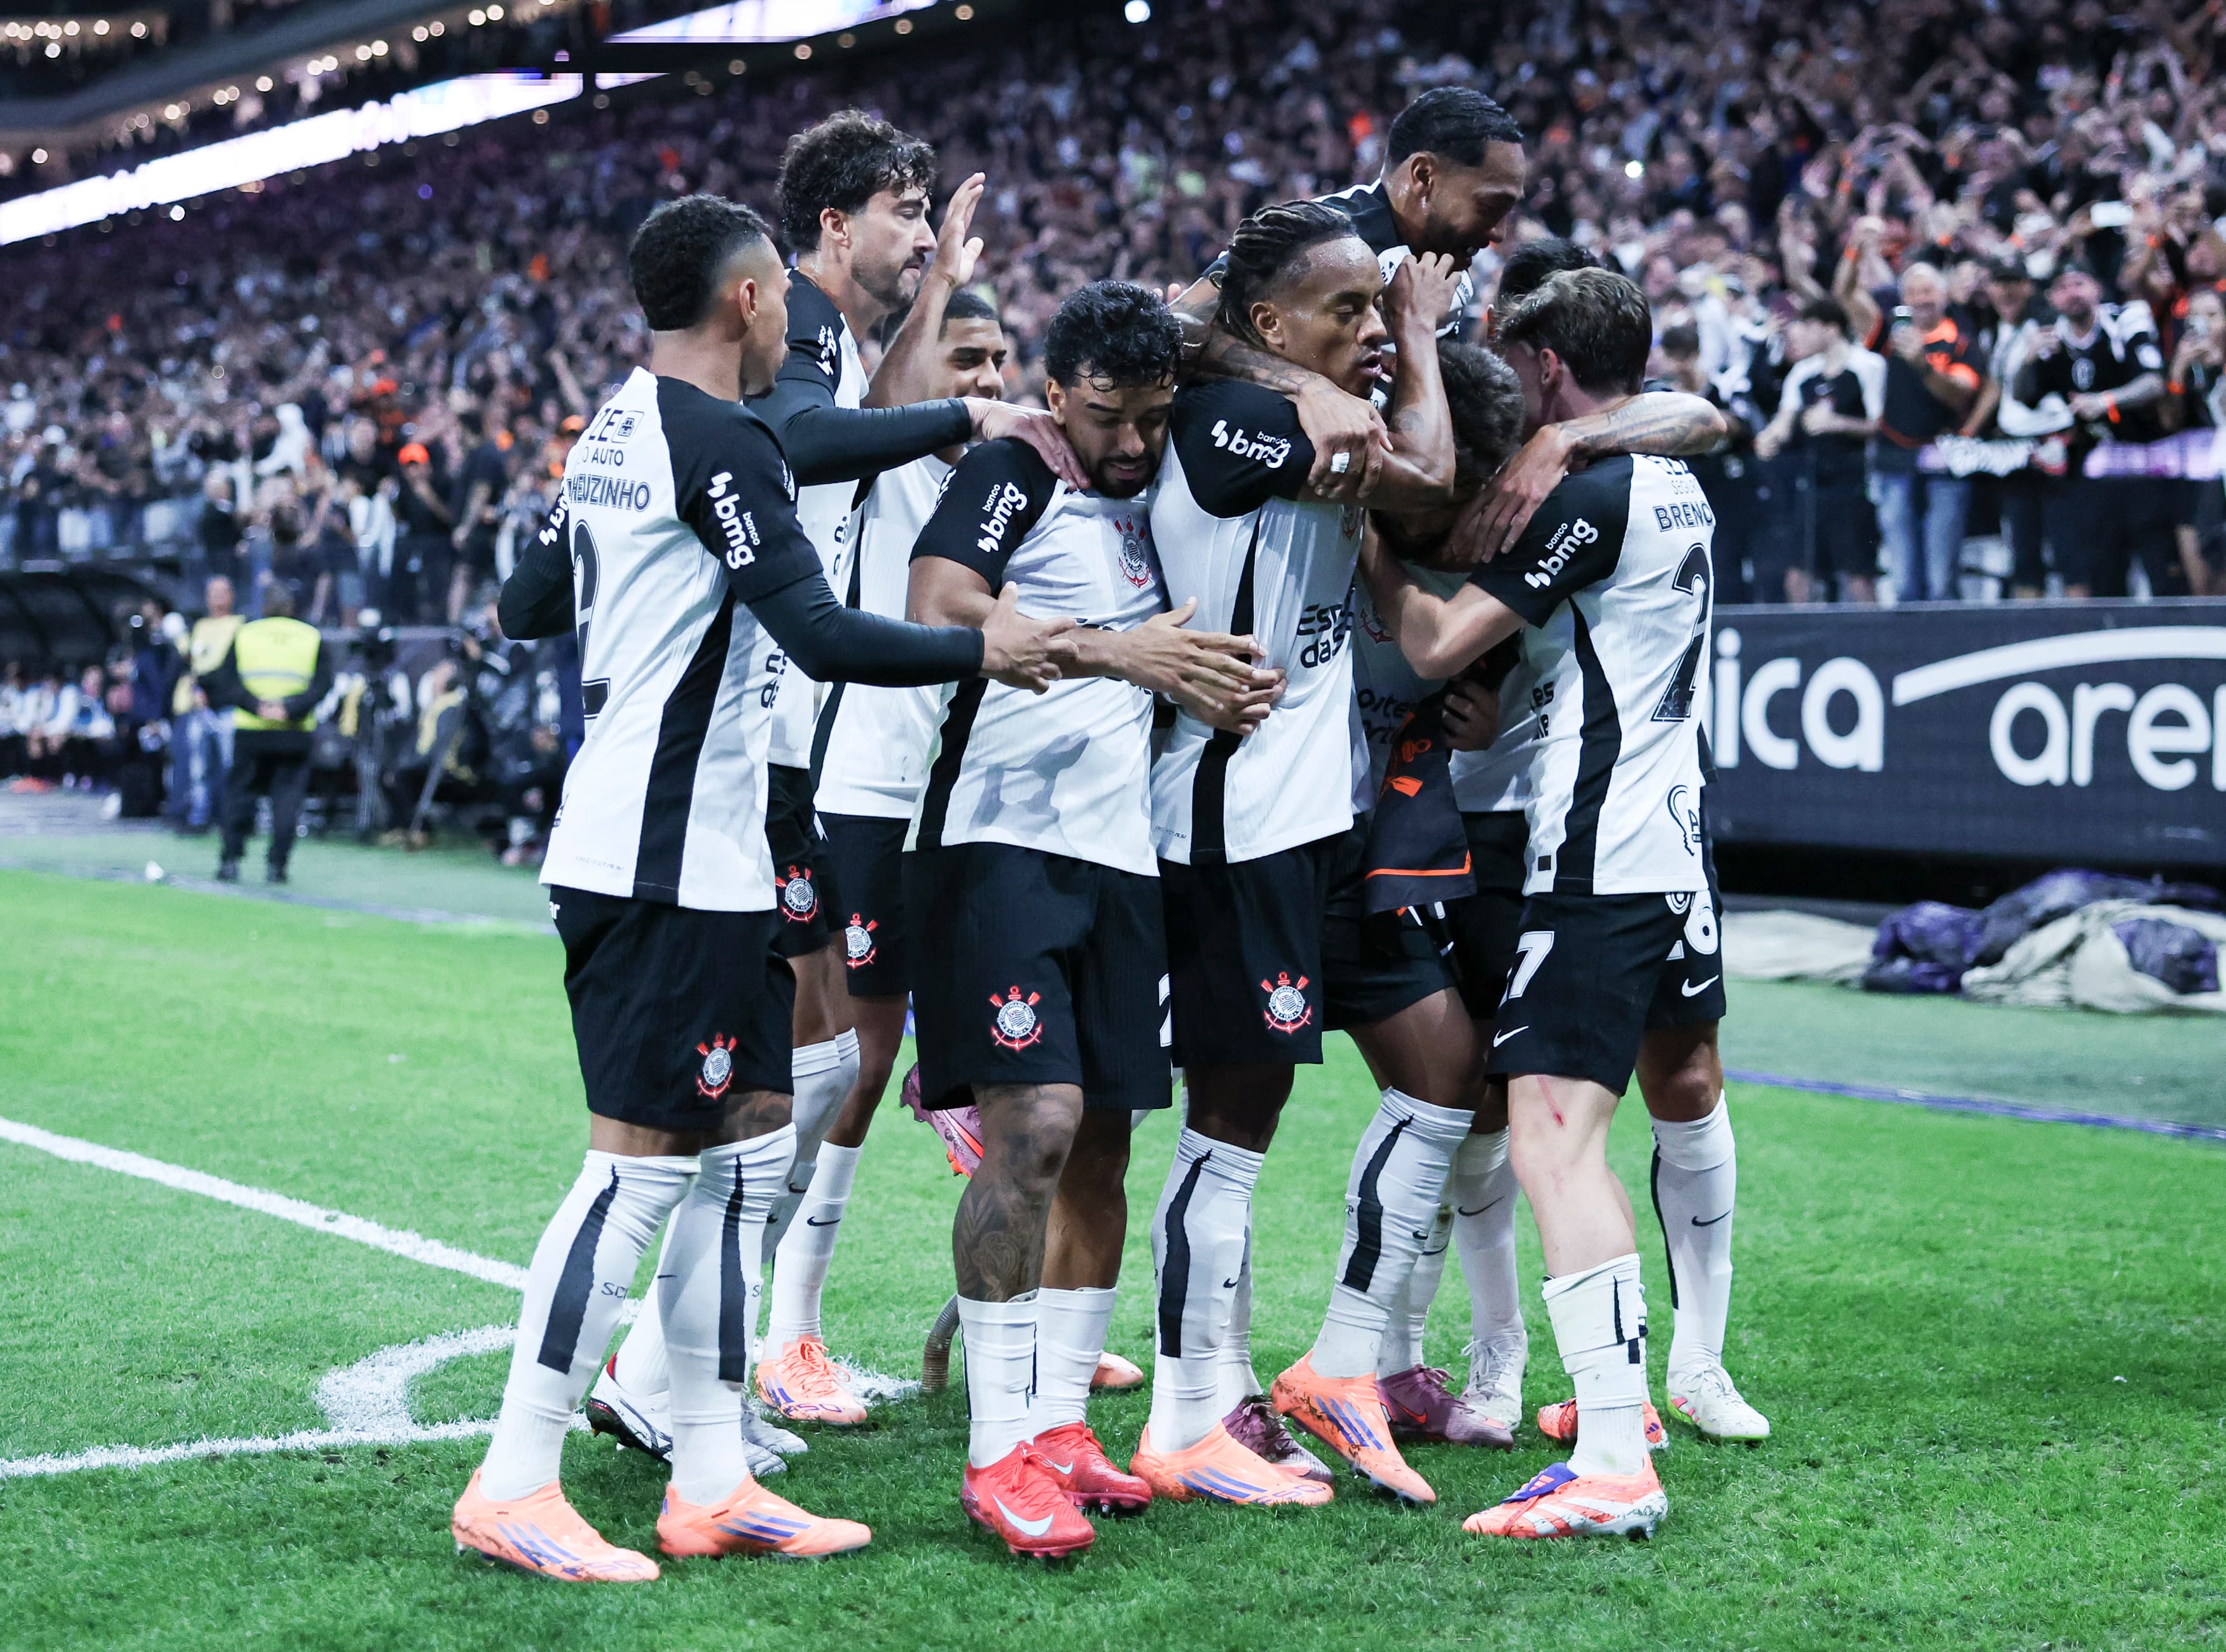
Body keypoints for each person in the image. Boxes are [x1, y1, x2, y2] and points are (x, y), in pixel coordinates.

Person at [450, 193, 1069, 1583]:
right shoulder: (720, 438)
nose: (793, 317)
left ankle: (710, 1476)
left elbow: (525, 605)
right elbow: (824, 632)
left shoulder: (614, 426)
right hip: (657, 859)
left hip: (707, 850)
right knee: (633, 1174)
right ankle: (515, 1478)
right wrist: (990, 650)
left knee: (740, 1160)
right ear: (745, 301)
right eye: (781, 296)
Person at [907, 280, 1277, 1559]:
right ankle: (995, 1452)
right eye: (1109, 417)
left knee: (1104, 1147)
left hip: (1122, 858)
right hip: (997, 844)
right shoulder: (1015, 465)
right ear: (1058, 393)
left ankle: (1060, 1424)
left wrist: (1198, 687)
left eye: (1152, 417)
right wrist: (1125, 653)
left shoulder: (1165, 489)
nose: (1132, 442)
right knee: (1038, 1129)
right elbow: (939, 603)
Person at [1355, 267, 1718, 1541]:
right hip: (1659, 843)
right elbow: (1699, 418)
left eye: (1520, 367)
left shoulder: (1592, 494)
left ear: (1550, 366)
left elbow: (1434, 644)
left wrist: (1366, 542)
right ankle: (1620, 1421)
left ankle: (1614, 1452)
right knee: (1568, 1129)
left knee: (1551, 1135)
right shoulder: (1670, 477)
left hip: (1593, 849)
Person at [1137, 201, 1469, 1512]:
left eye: (1381, 307)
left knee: (1438, 1070)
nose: (1376, 329)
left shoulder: (1306, 401)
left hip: (1320, 816)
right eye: (1350, 310)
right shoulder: (1232, 416)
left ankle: (1331, 1367)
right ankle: (1185, 1416)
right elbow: (1423, 473)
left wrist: (1361, 368)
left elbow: (1421, 473)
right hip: (1231, 820)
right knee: (1232, 1118)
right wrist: (1396, 351)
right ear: (1269, 320)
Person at [1172, 86, 1528, 497]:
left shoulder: (1452, 279)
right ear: (1423, 177)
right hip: (1249, 482)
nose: (1499, 233)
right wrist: (1308, 387)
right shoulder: (1322, 240)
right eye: (1489, 207)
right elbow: (1177, 330)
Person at [2010, 266, 2173, 598]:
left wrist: (2106, 401)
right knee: (2103, 576)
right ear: (2051, 298)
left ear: (2097, 288)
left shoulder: (2126, 319)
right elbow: (2023, 396)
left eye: (2079, 283)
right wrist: (2027, 359)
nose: (2072, 293)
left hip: (2147, 465)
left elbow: (2154, 383)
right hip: (2096, 472)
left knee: (2163, 573)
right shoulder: (2051, 337)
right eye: (2062, 287)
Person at [1837, 248, 1982, 602]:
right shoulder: (1890, 335)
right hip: (1893, 457)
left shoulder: (1961, 338)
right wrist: (1856, 247)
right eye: (1913, 292)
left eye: (1928, 291)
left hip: (1944, 459)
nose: (1921, 300)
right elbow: (1845, 293)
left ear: (1943, 296)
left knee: (1941, 575)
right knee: (1902, 575)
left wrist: (1924, 365)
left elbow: (1961, 394)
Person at [1753, 298, 1885, 603]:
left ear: (1831, 329)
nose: (1801, 334)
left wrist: (1837, 423)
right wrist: (1768, 439)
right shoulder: (1803, 372)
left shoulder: (1867, 366)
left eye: (1810, 326)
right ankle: (1802, 631)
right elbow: (1784, 420)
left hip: (1854, 484)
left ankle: (1874, 632)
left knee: (1858, 574)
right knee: (1798, 574)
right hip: (1812, 484)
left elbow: (1879, 424)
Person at [200, 584, 331, 884]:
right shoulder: (310, 637)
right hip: (294, 732)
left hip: (252, 729)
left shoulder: (246, 634)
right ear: (291, 607)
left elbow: (227, 681)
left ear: (264, 607)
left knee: (240, 796)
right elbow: (322, 684)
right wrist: (290, 708)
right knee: (287, 801)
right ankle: (277, 867)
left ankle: (230, 861)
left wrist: (257, 706)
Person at [169, 576, 242, 834]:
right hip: (199, 704)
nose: (218, 597)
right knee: (197, 766)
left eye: (223, 592)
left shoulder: (239, 625)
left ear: (232, 596)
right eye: (213, 592)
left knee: (230, 764)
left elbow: (230, 666)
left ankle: (231, 816)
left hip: (226, 704)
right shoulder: (200, 626)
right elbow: (192, 661)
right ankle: (198, 816)